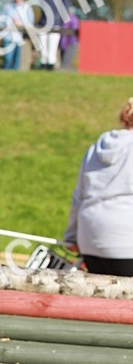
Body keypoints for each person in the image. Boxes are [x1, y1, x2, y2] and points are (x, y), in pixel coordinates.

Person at [63, 99, 133, 277]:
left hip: (90, 239)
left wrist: (71, 237)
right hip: (126, 239)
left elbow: (79, 196)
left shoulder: (97, 147)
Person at [35, 0, 62, 69]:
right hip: (44, 23)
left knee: (53, 44)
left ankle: (51, 63)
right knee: (43, 44)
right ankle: (44, 62)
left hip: (55, 24)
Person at [2, 0, 31, 70]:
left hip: (20, 38)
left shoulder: (27, 8)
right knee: (8, 59)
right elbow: (2, 20)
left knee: (17, 60)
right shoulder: (8, 7)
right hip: (8, 36)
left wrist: (21, 24)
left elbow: (30, 23)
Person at [59, 4, 80, 71]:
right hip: (68, 42)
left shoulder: (72, 18)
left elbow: (74, 28)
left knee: (66, 61)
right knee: (65, 60)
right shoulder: (70, 18)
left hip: (71, 42)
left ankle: (64, 70)